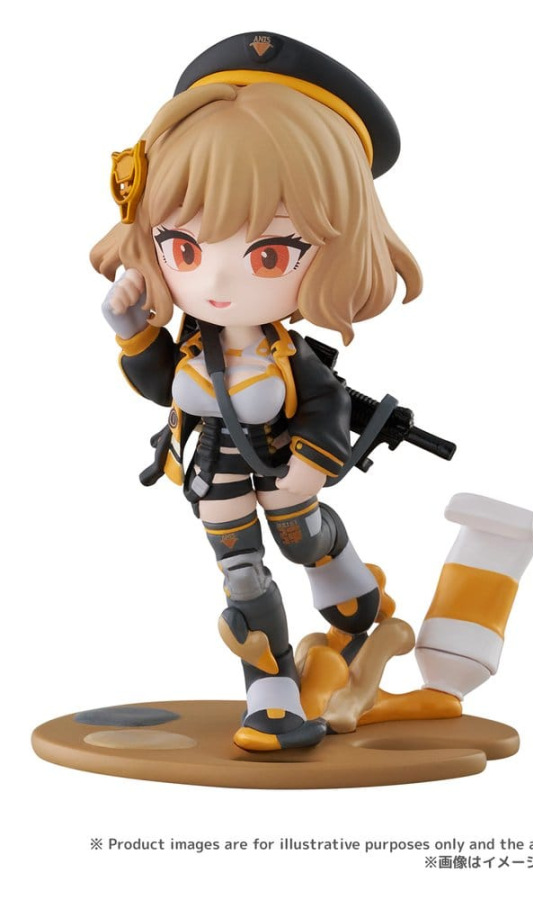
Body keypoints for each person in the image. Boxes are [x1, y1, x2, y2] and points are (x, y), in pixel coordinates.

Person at [91, 32, 422, 751]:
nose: (215, 281)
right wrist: (133, 332)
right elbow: (161, 385)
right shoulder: (192, 345)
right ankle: (271, 696)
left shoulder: (286, 355)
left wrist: (314, 459)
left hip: (284, 465)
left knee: (300, 537)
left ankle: (345, 576)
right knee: (241, 576)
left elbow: (327, 402)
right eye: (184, 247)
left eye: (269, 254)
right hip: (212, 470)